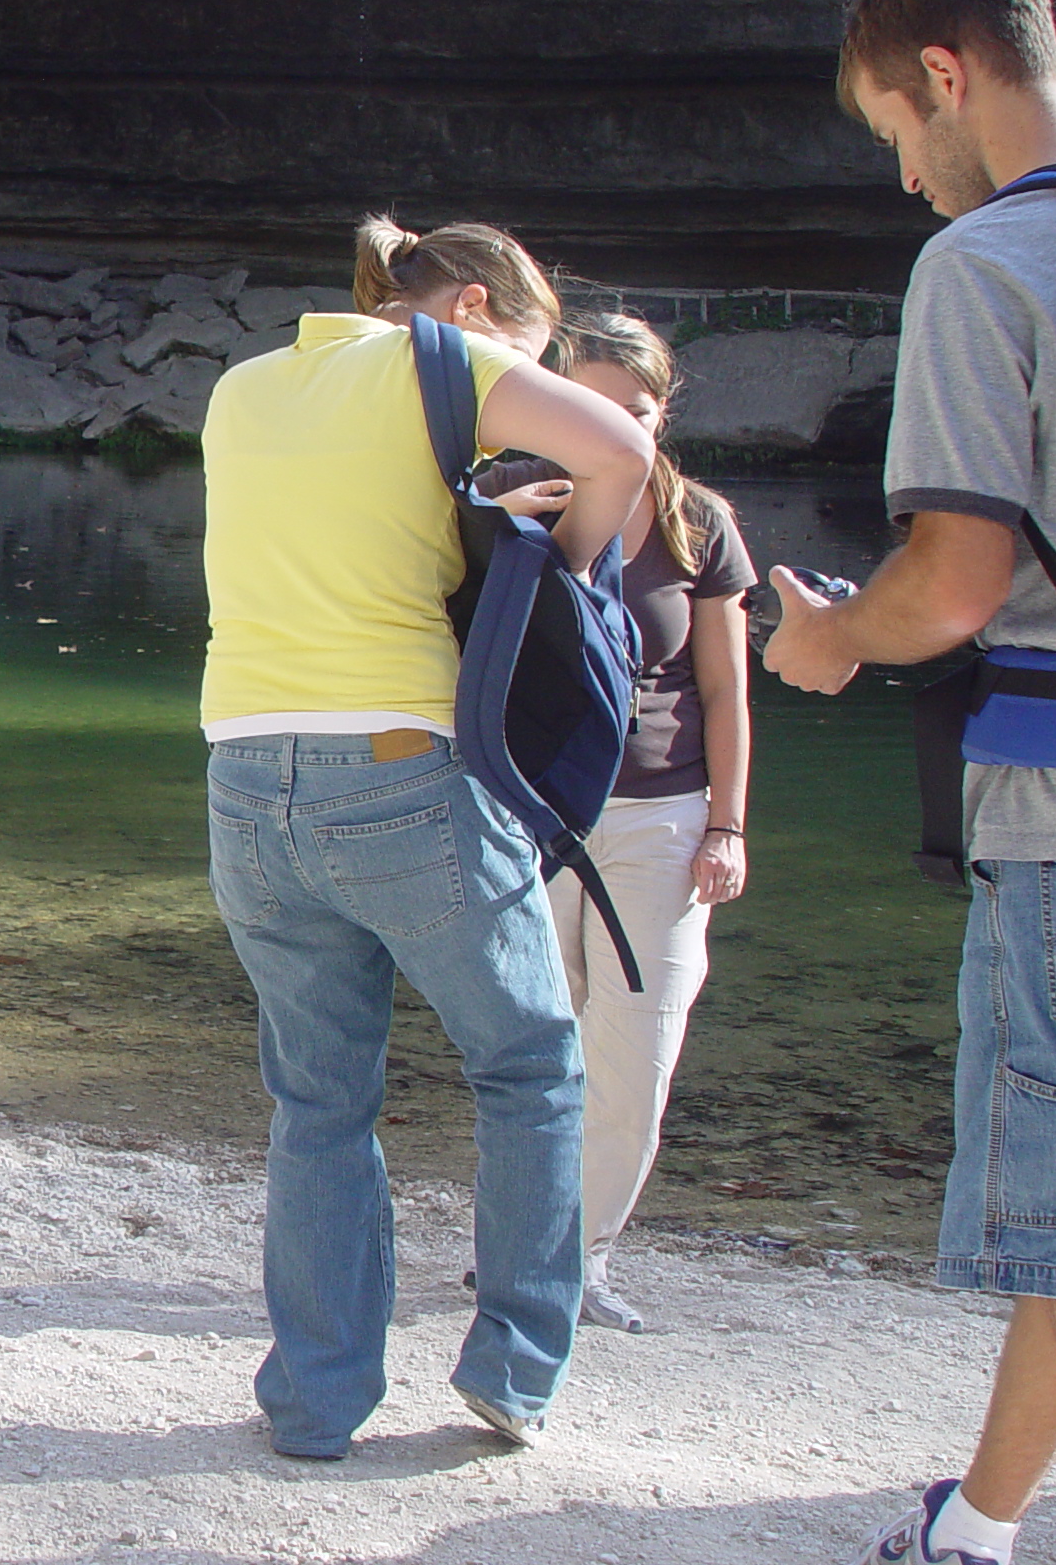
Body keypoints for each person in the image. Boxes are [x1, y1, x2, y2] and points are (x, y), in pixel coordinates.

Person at [763, 0, 1056, 1565]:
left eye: (893, 128)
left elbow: (950, 587)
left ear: (945, 74)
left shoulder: (990, 265)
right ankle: (977, 1530)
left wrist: (827, 638)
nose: (901, 178)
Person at [201, 215, 654, 1456]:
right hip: (399, 770)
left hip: (242, 775)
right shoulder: (439, 366)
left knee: (318, 1099)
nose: (531, 385)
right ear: (468, 312)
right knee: (529, 1068)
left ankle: (313, 1400)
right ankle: (512, 1365)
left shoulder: (240, 389)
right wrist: (563, 551)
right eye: (533, 355)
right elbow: (620, 453)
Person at [480, 310, 756, 1336]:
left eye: (635, 413)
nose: (618, 431)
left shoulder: (699, 522)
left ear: (662, 413)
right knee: (533, 1046)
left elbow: (726, 692)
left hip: (663, 823)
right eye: (592, 407)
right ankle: (517, 1249)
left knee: (634, 1051)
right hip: (536, 816)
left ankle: (579, 1259)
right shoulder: (518, 502)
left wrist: (726, 828)